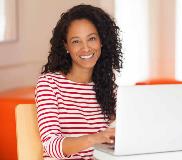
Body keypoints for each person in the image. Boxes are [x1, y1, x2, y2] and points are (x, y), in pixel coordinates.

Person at [35, 4, 123, 159]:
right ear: (66, 46)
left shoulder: (109, 88)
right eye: (76, 41)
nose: (86, 48)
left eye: (92, 39)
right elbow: (51, 146)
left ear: (101, 41)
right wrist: (96, 138)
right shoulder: (49, 84)